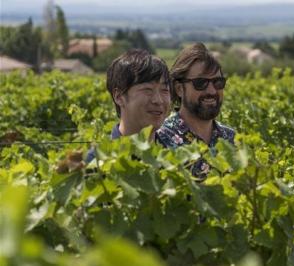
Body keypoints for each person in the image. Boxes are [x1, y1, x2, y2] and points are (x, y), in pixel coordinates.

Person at [155, 43, 235, 178]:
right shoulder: (160, 140)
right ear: (179, 89)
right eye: (200, 83)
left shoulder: (232, 139)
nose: (211, 91)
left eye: (218, 82)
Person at [86, 49, 170, 162]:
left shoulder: (174, 160)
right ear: (119, 97)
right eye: (147, 89)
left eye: (164, 90)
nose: (158, 100)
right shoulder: (96, 163)